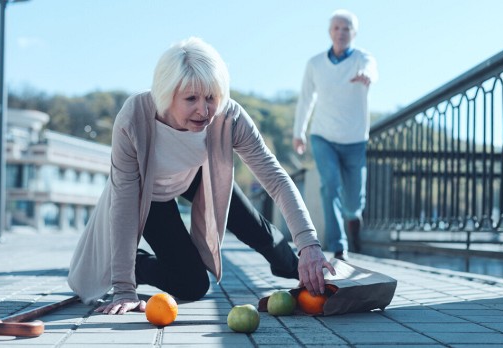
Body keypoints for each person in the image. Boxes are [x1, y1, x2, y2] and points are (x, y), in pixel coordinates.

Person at [68, 37, 335, 315]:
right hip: (148, 193)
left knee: (261, 233)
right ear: (167, 94)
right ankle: (134, 264)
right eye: (191, 99)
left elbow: (277, 180)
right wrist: (124, 287)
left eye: (211, 97)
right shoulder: (134, 118)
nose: (204, 110)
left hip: (197, 175)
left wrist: (309, 245)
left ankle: (305, 272)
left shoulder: (229, 116)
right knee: (192, 285)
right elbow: (123, 202)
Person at [293, 9, 378, 260]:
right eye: (337, 28)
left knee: (353, 203)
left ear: (354, 33)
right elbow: (306, 99)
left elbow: (372, 69)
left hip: (355, 139)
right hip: (323, 136)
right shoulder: (315, 64)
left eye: (346, 28)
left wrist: (367, 76)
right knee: (329, 186)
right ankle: (338, 247)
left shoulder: (363, 59)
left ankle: (353, 220)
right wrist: (300, 133)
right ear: (330, 32)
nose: (341, 32)